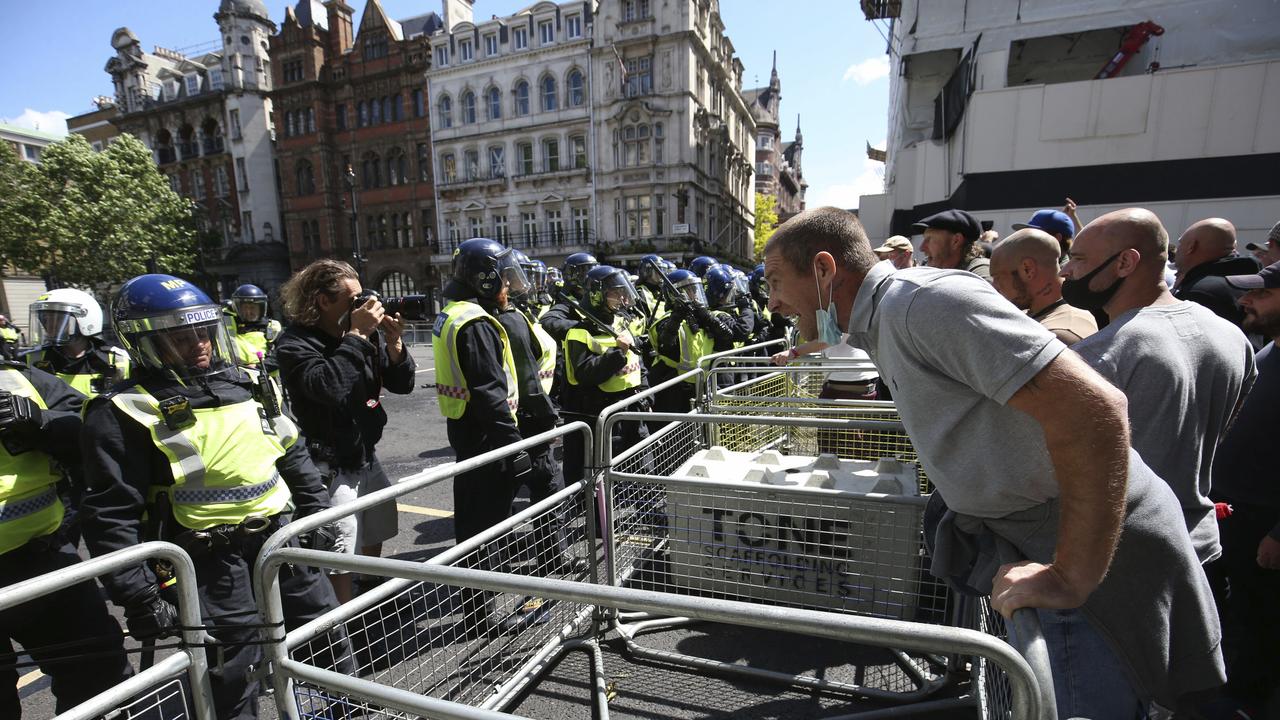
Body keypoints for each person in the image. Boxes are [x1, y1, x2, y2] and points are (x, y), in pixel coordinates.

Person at [763, 206, 1224, 718]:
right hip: (1056, 540)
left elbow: (1097, 411)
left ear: (826, 270)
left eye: (776, 282)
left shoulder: (922, 304)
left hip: (1079, 552)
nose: (772, 302)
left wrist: (1069, 574)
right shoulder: (888, 316)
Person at [78, 274, 346, 719]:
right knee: (229, 674)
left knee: (327, 641)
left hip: (282, 544)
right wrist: (140, 596)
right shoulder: (122, 410)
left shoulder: (249, 385)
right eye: (181, 337)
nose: (200, 344)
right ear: (142, 343)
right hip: (205, 563)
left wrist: (315, 519)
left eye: (204, 331)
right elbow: (110, 515)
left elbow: (293, 455)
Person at [1066, 209, 1255, 565]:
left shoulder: (1101, 354)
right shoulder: (1230, 335)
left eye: (1077, 259)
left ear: (1125, 262)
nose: (1066, 271)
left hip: (1120, 560)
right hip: (1197, 546)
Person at [276, 260, 415, 602]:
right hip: (329, 462)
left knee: (379, 523)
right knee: (341, 547)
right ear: (323, 301)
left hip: (365, 451)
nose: (362, 305)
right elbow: (328, 387)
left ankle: (369, 591)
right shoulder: (296, 344)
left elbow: (402, 384)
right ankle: (341, 619)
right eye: (353, 299)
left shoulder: (358, 338)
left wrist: (395, 346)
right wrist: (356, 335)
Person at [0, 361, 132, 717]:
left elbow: (91, 429)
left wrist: (42, 423)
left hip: (44, 560)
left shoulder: (18, 377)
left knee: (100, 676)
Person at [1210, 261, 1280, 711]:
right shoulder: (1267, 349)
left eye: (1261, 293)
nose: (1245, 301)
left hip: (1266, 527)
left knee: (1265, 626)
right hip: (1238, 517)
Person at [560, 266, 648, 486]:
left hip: (631, 409)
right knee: (608, 476)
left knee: (640, 464)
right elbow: (585, 373)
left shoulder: (621, 323)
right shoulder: (579, 333)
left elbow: (639, 366)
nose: (622, 297)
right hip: (601, 414)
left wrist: (647, 398)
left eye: (623, 291)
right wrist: (618, 353)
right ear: (597, 295)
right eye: (615, 293)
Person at [990, 229, 1097, 345]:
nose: (994, 287)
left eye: (998, 277)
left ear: (1028, 269)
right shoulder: (1041, 315)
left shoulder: (1059, 335)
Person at [24, 288, 130, 398]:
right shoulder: (31, 361)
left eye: (58, 319)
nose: (50, 326)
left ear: (85, 321)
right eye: (46, 320)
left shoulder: (118, 361)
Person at [1172, 218, 1261, 331]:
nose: (1177, 250)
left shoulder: (1200, 293)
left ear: (1191, 246)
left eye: (1180, 243)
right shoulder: (1250, 281)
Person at [911, 209, 990, 280]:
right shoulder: (933, 269)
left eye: (929, 239)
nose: (921, 248)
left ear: (956, 241)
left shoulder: (979, 273)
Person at [228, 284, 283, 376]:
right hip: (237, 378)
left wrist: (257, 367)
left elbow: (282, 354)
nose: (249, 312)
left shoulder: (273, 327)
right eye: (245, 308)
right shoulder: (228, 325)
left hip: (269, 380)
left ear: (261, 307)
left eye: (253, 308)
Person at [1012, 208, 1076, 264]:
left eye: (1035, 234)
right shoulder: (1025, 269)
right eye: (1027, 234)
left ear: (1057, 238)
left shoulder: (1071, 273)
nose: (1028, 240)